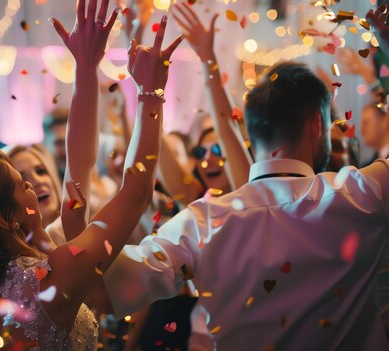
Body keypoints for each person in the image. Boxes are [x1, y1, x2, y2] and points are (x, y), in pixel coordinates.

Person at [0, 2, 183, 348]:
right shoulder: (51, 277)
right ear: (4, 218)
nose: (35, 185)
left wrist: (86, 68)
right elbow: (134, 194)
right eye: (22, 183)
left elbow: (78, 164)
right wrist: (151, 92)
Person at [104, 58, 389, 349]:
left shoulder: (201, 222)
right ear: (317, 124)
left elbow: (107, 287)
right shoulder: (362, 194)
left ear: (253, 132)